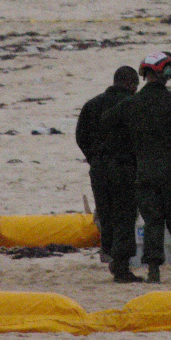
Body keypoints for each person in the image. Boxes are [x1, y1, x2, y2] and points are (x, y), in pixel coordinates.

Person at [104, 51, 171, 283]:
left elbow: (107, 121)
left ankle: (154, 270)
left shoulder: (131, 104)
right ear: (163, 72)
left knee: (152, 221)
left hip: (145, 170)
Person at [75, 66, 138, 271]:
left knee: (105, 210)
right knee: (125, 213)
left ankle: (108, 251)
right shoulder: (132, 105)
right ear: (130, 84)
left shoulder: (92, 104)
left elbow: (80, 136)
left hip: (99, 166)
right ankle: (121, 261)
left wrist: (93, 157)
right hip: (124, 165)